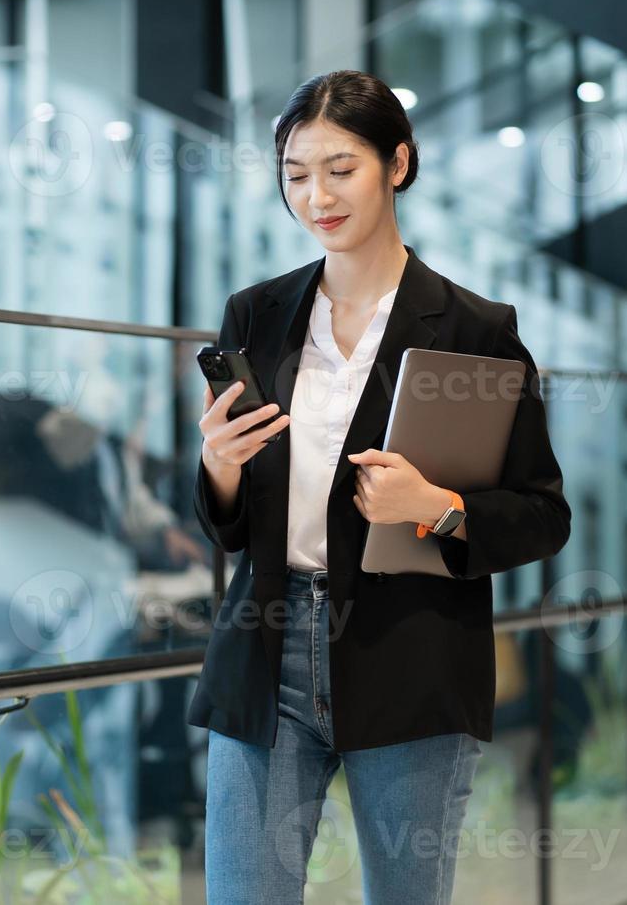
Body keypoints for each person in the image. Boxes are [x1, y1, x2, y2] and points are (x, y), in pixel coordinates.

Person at [189, 69, 572, 904]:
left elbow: (543, 515)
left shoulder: (474, 329)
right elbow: (228, 524)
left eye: (340, 168)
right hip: (267, 642)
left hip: (412, 650)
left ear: (397, 163)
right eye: (295, 174)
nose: (316, 195)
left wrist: (438, 509)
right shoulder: (255, 315)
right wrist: (217, 464)